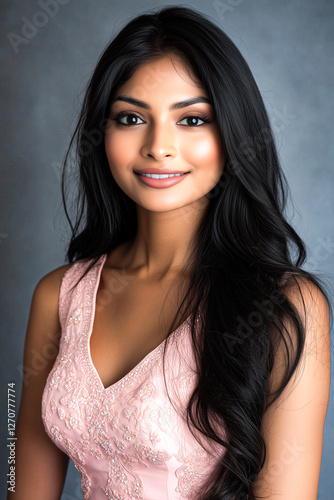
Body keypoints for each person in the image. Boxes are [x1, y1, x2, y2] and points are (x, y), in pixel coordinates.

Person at [9, 5, 332, 500]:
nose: (159, 146)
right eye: (132, 117)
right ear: (104, 133)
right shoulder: (59, 295)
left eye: (192, 119)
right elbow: (22, 486)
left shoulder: (285, 306)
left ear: (233, 135)